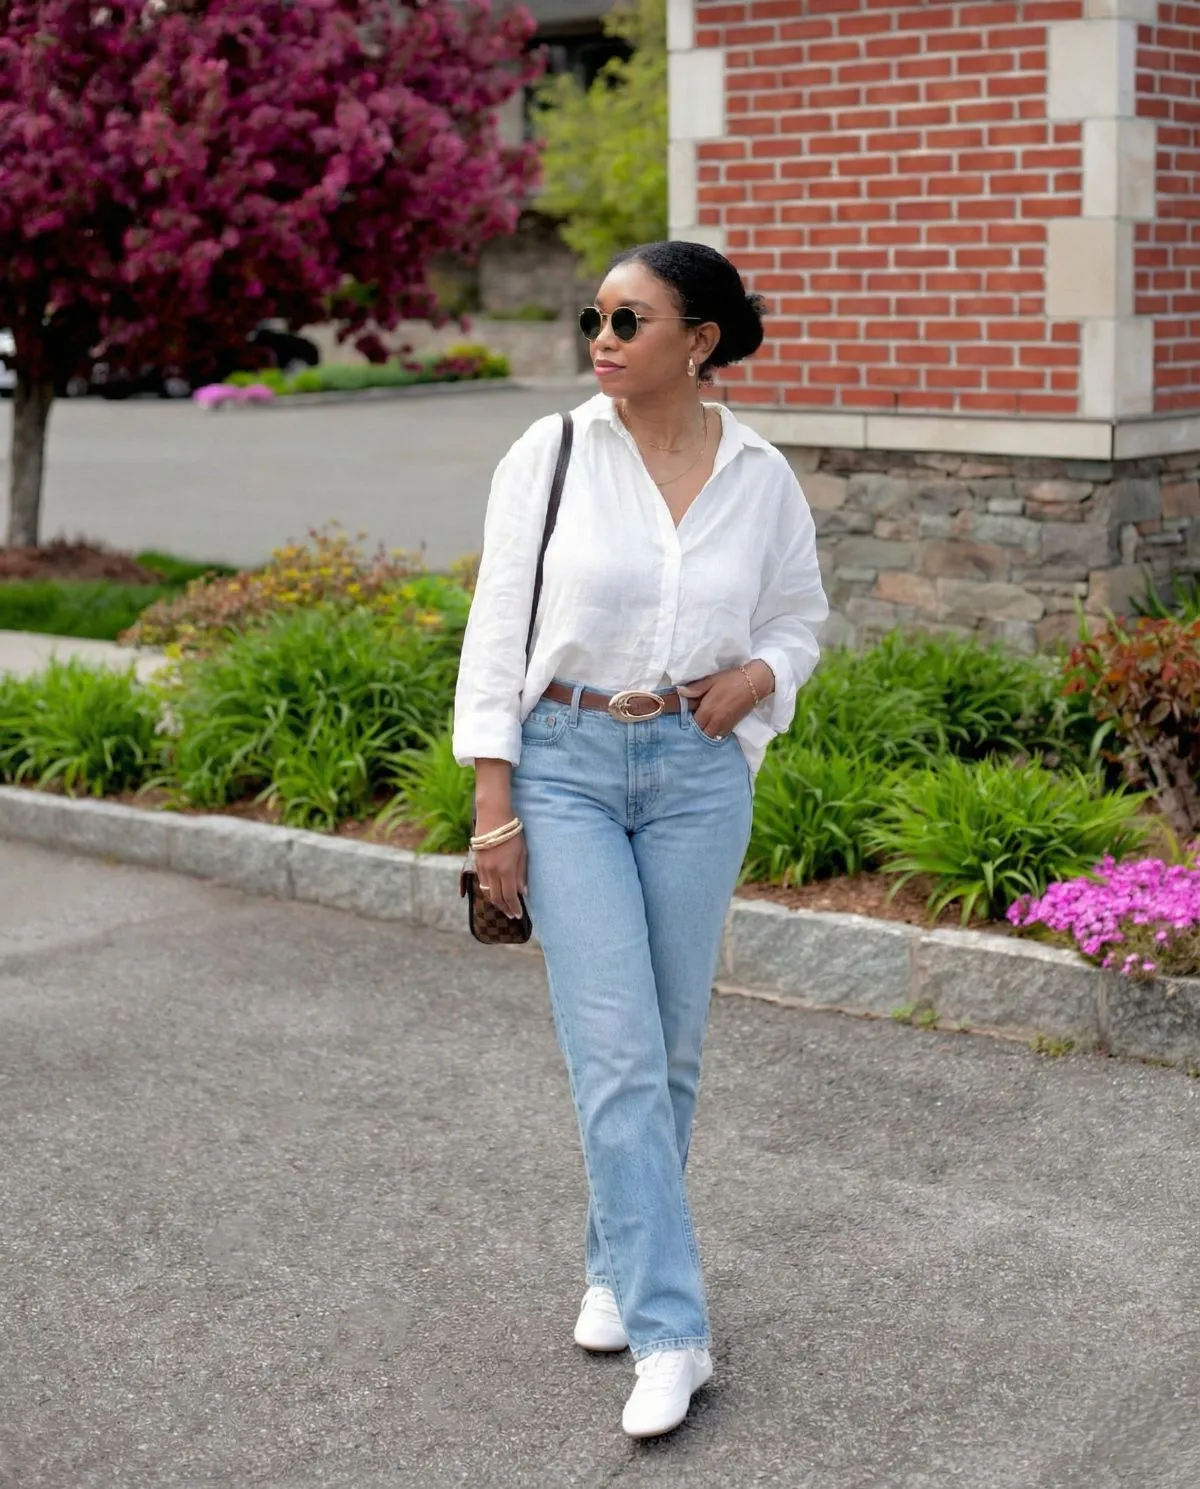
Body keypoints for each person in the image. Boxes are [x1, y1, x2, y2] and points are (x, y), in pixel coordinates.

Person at [452, 240, 829, 1438]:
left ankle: (614, 1266)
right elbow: (496, 632)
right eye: (594, 317)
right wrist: (492, 810)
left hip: (694, 772)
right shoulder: (552, 451)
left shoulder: (762, 473)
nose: (602, 338)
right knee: (613, 1049)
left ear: (701, 340)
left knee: (666, 1053)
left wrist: (763, 672)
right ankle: (674, 1330)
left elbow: (801, 614)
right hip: (561, 769)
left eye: (629, 318)